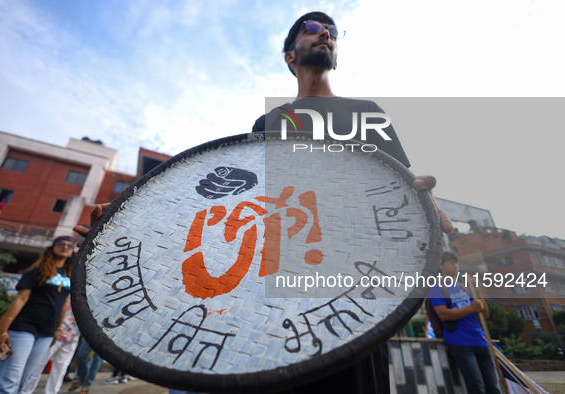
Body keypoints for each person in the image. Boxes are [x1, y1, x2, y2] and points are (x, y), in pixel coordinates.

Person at [73, 11, 453, 393]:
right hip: (276, 293)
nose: (326, 35)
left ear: (336, 55)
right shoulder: (268, 123)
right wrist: (123, 226)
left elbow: (399, 190)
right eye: (313, 29)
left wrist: (426, 212)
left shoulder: (366, 113)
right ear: (290, 56)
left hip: (351, 291)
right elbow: (243, 202)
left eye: (332, 32)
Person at [0, 235, 75, 394]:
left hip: (47, 333)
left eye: (70, 245)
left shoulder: (70, 275)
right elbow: (20, 299)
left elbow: (63, 305)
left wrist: (57, 329)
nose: (66, 246)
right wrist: (2, 331)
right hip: (23, 327)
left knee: (24, 381)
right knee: (9, 380)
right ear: (53, 247)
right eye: (61, 243)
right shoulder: (37, 269)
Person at [428, 252, 500, 394]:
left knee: (493, 387)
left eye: (456, 262)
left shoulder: (464, 287)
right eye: (451, 262)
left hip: (481, 341)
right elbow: (443, 314)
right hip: (460, 343)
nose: (456, 265)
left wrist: (478, 293)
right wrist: (470, 308)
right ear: (440, 265)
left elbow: (484, 315)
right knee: (476, 386)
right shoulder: (436, 288)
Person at [19, 301, 80, 394]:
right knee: (38, 364)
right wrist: (56, 328)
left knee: (61, 368)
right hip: (55, 332)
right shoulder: (69, 289)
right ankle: (25, 391)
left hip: (74, 334)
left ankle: (51, 392)